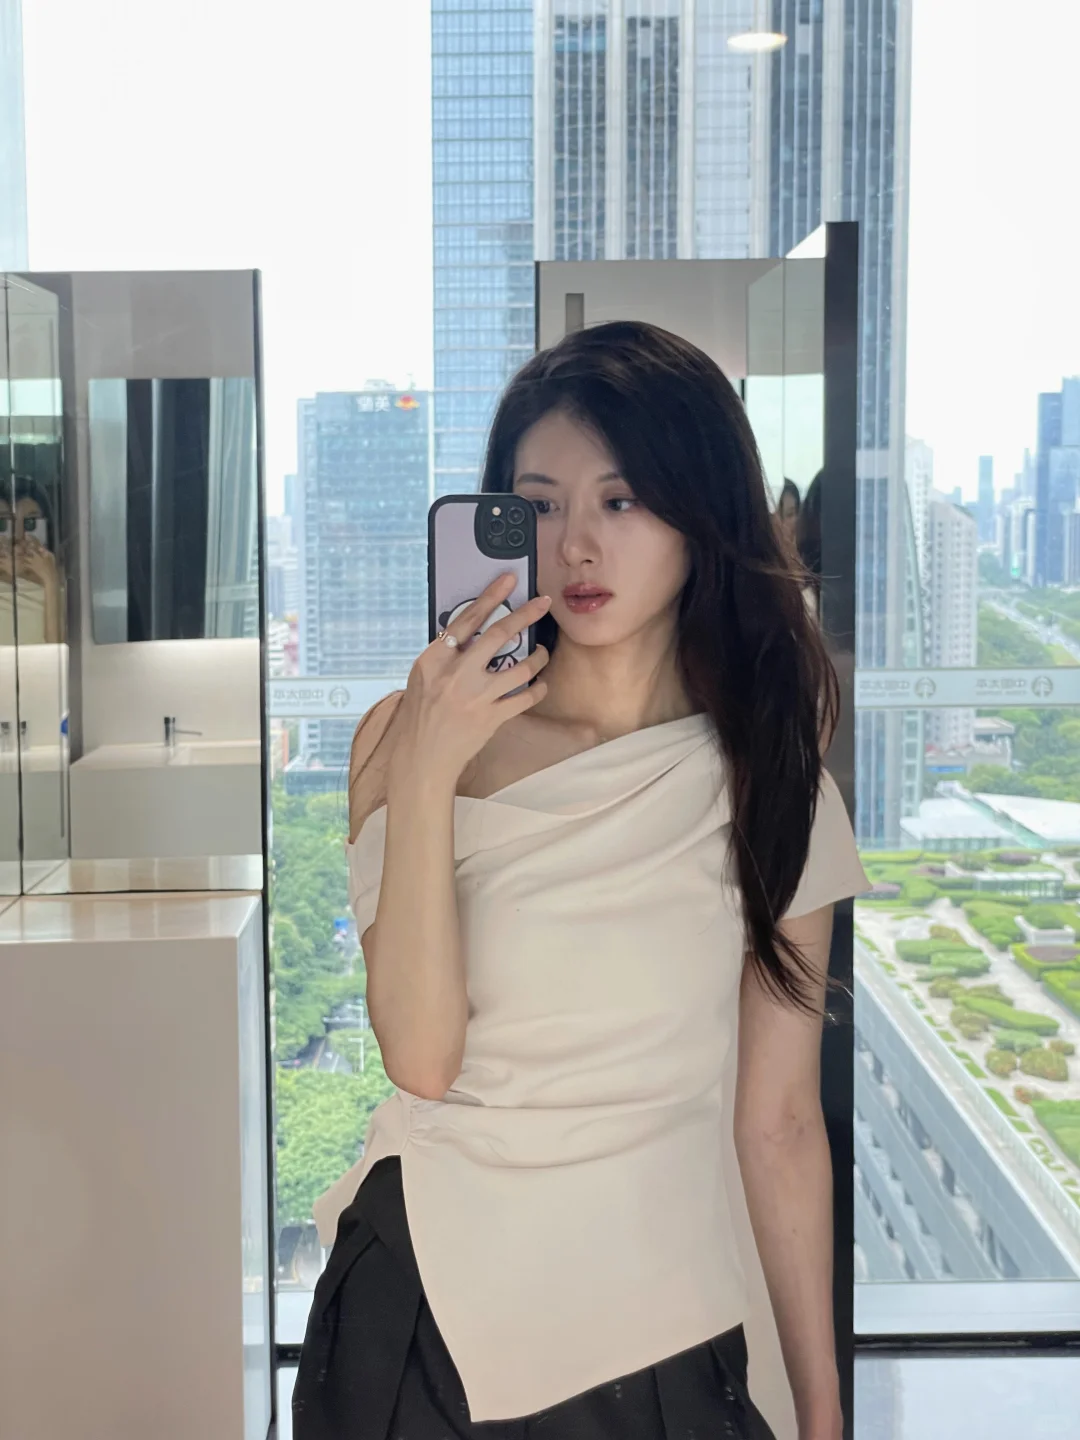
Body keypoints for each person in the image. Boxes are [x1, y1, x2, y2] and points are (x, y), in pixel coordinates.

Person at [293, 320, 869, 1440]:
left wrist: (821, 1406)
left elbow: (781, 1123)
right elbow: (421, 1057)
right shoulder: (405, 743)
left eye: (624, 499)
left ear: (701, 515)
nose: (577, 547)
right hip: (427, 1314)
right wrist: (429, 768)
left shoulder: (770, 780)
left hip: (660, 1321)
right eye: (540, 505)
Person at [0, 477, 63, 645]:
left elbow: (56, 651)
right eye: (3, 524)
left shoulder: (65, 584)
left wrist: (50, 581)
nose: (18, 535)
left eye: (30, 523)